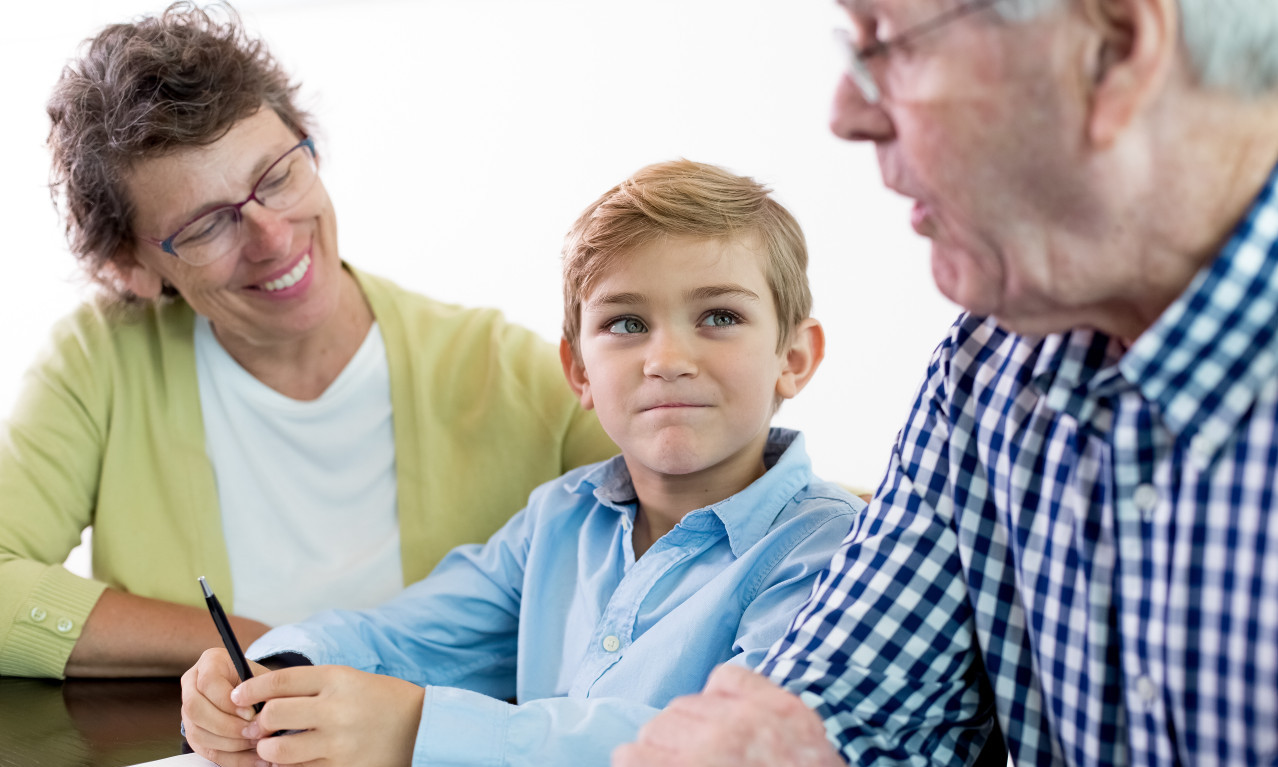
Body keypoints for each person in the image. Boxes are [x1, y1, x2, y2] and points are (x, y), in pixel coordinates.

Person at [614, 0, 1278, 765]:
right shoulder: (990, 361)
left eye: (890, 42)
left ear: (1116, 52)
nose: (848, 113)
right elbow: (845, 702)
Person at [0, 1, 618, 680]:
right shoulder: (101, 361)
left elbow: (706, 536)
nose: (273, 235)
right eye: (208, 225)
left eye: (277, 175)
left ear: (308, 142)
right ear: (132, 267)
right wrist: (276, 647)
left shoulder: (510, 371)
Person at [178, 158, 865, 767]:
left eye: (718, 316)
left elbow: (736, 746)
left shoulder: (837, 550)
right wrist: (274, 671)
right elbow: (400, 634)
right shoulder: (560, 518)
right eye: (626, 323)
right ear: (579, 373)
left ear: (794, 357)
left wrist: (416, 730)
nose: (667, 360)